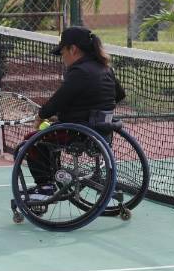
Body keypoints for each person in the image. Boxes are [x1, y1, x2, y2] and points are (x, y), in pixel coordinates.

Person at [25, 26, 126, 200]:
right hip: (102, 131)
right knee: (49, 137)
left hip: (79, 133)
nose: (62, 58)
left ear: (73, 49)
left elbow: (58, 100)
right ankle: (54, 176)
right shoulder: (105, 69)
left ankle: (45, 185)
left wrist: (41, 116)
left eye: (63, 52)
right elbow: (119, 95)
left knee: (31, 140)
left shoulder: (79, 71)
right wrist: (87, 110)